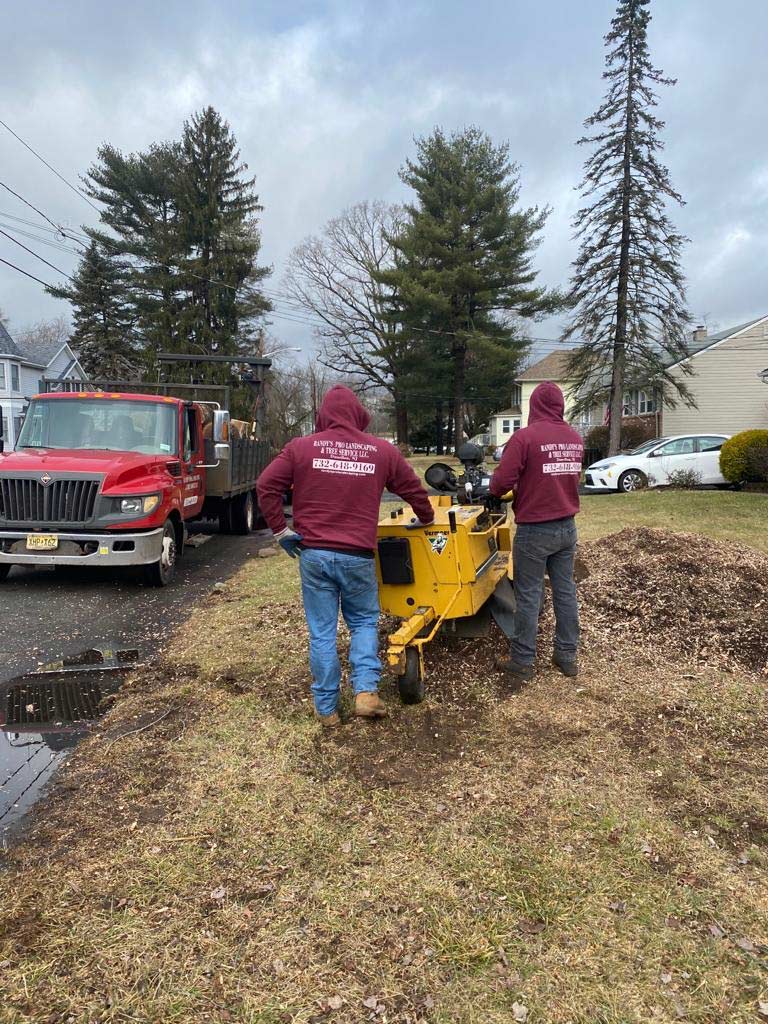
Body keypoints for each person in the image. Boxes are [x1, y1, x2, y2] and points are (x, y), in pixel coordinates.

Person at [257, 385, 434, 727]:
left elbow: (266, 486)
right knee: (364, 622)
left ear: (324, 415)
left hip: (315, 555)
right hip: (358, 556)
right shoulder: (381, 451)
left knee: (322, 632)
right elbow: (413, 488)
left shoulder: (300, 448)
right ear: (358, 415)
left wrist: (281, 531)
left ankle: (326, 709)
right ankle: (365, 691)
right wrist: (425, 518)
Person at [489, 381, 584, 683]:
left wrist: (499, 489)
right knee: (565, 591)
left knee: (529, 595)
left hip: (534, 530)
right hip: (567, 527)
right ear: (559, 405)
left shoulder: (525, 438)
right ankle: (567, 655)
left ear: (535, 406)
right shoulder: (573, 438)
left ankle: (522, 660)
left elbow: (501, 482)